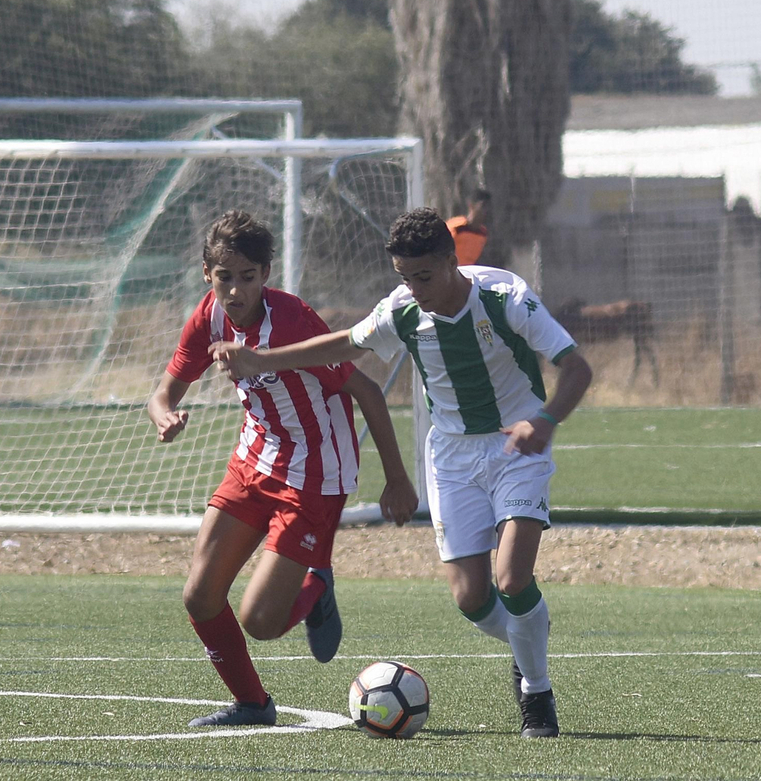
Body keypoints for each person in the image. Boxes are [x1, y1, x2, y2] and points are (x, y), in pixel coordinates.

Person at [211, 207, 593, 738]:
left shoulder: (506, 298)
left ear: (450, 262)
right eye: (404, 278)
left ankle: (536, 692)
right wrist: (261, 360)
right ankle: (529, 636)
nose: (414, 289)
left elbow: (577, 368)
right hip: (453, 458)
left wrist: (546, 421)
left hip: (516, 448)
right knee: (472, 599)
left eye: (424, 277)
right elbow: (346, 344)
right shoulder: (403, 309)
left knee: (512, 578)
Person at [147, 211, 418, 728]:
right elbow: (162, 393)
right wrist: (165, 416)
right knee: (200, 596)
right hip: (254, 458)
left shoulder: (291, 320)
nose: (235, 290)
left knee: (261, 622)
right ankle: (253, 705)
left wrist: (397, 479)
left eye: (247, 277)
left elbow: (366, 392)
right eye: (225, 277)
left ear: (265, 274)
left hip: (316, 472)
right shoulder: (208, 315)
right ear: (208, 273)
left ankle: (317, 584)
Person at [446, 188, 491, 266]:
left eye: (488, 207)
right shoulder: (456, 228)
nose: (486, 211)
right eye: (483, 206)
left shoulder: (483, 234)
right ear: (471, 205)